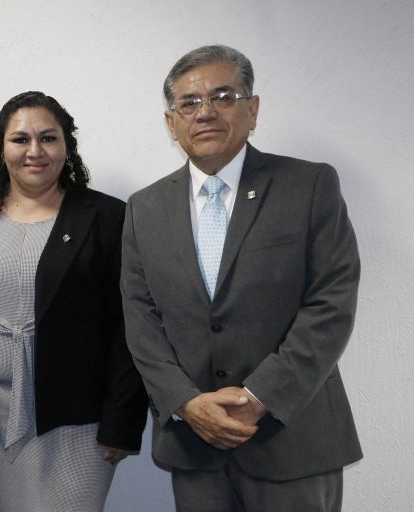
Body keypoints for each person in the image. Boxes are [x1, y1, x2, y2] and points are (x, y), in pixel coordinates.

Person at [120, 45, 362, 512]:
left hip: (292, 441)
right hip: (195, 445)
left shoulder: (308, 186)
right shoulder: (143, 209)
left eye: (223, 96)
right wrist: (187, 404)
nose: (205, 112)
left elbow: (331, 304)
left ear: (252, 110)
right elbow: (140, 319)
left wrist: (259, 397)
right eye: (189, 103)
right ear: (171, 123)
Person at [0, 91, 147, 511]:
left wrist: (122, 422)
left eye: (48, 138)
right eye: (20, 139)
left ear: (67, 145)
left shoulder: (106, 217)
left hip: (79, 417)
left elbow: (131, 326)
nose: (34, 151)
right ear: (1, 147)